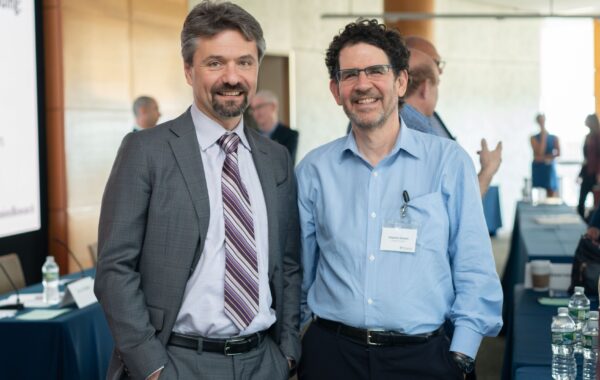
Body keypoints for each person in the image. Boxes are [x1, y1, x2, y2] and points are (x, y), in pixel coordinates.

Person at [94, 2, 301, 379]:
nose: (232, 77)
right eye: (215, 63)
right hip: (178, 362)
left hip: (264, 363)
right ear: (189, 70)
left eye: (245, 62)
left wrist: (286, 352)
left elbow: (288, 265)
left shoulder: (276, 158)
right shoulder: (146, 151)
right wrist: (152, 366)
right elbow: (114, 270)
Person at [296, 19, 503, 380]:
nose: (363, 85)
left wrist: (461, 356)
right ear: (335, 89)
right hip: (333, 356)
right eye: (350, 75)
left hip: (424, 358)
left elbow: (474, 266)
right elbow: (298, 272)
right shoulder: (314, 169)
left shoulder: (447, 161)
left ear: (401, 81)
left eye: (376, 71)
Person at [404, 35, 502, 197]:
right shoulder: (413, 131)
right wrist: (488, 170)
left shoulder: (425, 118)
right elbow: (456, 202)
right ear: (425, 86)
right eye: (435, 64)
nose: (440, 71)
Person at [249, 90, 299, 163]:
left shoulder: (290, 135)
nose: (256, 112)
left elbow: (286, 164)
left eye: (259, 107)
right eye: (253, 109)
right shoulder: (250, 136)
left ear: (273, 106)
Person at [530, 113, 560, 197]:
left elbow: (558, 153)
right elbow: (540, 152)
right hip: (538, 167)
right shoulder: (533, 138)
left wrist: (543, 158)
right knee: (536, 189)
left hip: (549, 167)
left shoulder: (554, 137)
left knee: (551, 189)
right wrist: (543, 136)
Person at [578, 113, 600, 220]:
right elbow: (586, 159)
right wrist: (580, 174)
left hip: (596, 174)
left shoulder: (598, 137)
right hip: (587, 173)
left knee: (597, 203)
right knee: (581, 202)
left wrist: (598, 174)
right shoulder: (588, 137)